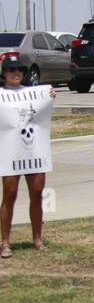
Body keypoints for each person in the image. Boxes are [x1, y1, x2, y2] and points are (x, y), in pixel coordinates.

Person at [1, 55, 52, 257]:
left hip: (33, 149)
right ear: (4, 73)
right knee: (9, 194)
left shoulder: (33, 93)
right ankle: (5, 242)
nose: (16, 73)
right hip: (10, 151)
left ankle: (37, 239)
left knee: (37, 193)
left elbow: (42, 111)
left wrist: (49, 96)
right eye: (12, 70)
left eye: (19, 70)